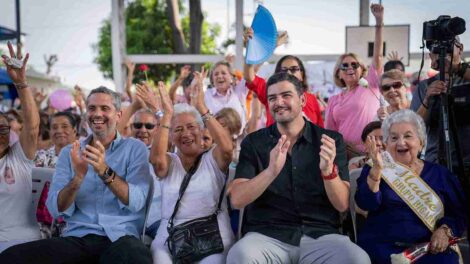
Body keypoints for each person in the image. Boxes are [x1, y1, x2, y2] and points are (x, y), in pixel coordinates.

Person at [226, 72, 370, 264]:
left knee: (357, 259)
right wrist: (270, 172)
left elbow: (342, 204)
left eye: (286, 95)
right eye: (272, 98)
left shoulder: (330, 140)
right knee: (240, 255)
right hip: (267, 236)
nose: (278, 102)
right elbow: (237, 199)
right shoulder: (254, 143)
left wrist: (329, 173)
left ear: (302, 100)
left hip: (321, 236)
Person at [0, 86, 153, 263]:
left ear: (119, 115)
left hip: (121, 238)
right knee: (11, 258)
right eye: (92, 108)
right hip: (79, 238)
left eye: (105, 108)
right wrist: (77, 179)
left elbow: (137, 202)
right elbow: (56, 210)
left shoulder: (135, 149)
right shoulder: (69, 152)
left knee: (135, 257)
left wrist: (104, 170)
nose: (97, 114)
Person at [355, 109, 467, 263]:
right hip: (382, 246)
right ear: (386, 144)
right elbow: (366, 203)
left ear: (421, 143)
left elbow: (459, 212)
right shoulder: (375, 167)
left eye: (408, 136)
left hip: (428, 249)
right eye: (394, 137)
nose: (401, 142)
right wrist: (376, 173)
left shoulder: (440, 174)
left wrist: (444, 230)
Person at [149, 71, 235, 263]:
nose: (186, 133)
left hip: (212, 235)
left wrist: (201, 106)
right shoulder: (169, 161)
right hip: (170, 236)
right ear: (171, 136)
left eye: (191, 127)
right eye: (178, 129)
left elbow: (228, 149)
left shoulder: (213, 158)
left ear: (201, 129)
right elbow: (156, 161)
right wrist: (167, 116)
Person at [325, 3, 384, 157]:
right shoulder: (333, 100)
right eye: (344, 66)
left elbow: (377, 56)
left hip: (372, 153)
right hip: (345, 155)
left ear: (362, 69)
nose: (350, 68)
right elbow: (331, 133)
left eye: (354, 64)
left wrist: (379, 23)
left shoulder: (371, 86)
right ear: (339, 73)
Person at [0, 41, 41, 253]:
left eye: (3, 129)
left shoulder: (18, 157)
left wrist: (21, 83)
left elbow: (33, 127)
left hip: (18, 243)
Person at [411, 36, 470, 165]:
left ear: (460, 49)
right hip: (437, 162)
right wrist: (427, 99)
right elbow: (414, 127)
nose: (443, 55)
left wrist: (458, 68)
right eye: (436, 51)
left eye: (448, 49)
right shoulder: (424, 86)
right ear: (430, 56)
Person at [244, 35, 324, 128]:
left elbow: (319, 132)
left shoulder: (312, 99)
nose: (289, 73)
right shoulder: (269, 91)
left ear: (302, 74)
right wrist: (251, 51)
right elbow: (249, 76)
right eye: (284, 70)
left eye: (294, 69)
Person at [34, 111, 78, 238]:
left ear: (75, 130)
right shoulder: (40, 157)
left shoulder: (84, 157)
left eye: (64, 126)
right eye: (54, 127)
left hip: (73, 221)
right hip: (42, 222)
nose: (59, 131)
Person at [204, 61, 248, 132]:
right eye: (216, 74)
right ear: (212, 79)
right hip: (215, 140)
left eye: (223, 73)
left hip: (239, 140)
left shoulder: (239, 90)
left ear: (231, 76)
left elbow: (250, 73)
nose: (219, 76)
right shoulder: (206, 95)